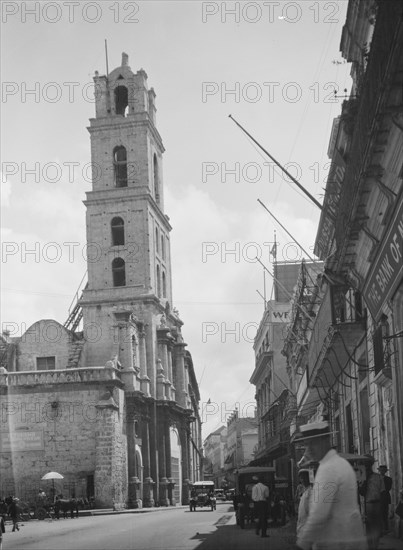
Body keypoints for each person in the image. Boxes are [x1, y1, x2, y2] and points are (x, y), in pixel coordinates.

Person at [295, 421, 367, 550]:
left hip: (336, 541)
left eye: (313, 443)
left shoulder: (329, 469)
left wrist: (303, 543)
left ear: (325, 441)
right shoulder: (340, 463)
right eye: (306, 445)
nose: (309, 449)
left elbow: (319, 514)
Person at [359, 459, 384, 550]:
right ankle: (375, 546)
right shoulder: (379, 477)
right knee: (376, 525)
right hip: (377, 503)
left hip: (368, 504)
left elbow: (361, 492)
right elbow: (382, 492)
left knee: (369, 526)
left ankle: (371, 547)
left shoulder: (363, 477)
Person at [296, 470, 312, 537]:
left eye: (305, 478)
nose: (303, 480)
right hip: (301, 529)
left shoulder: (311, 491)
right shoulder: (304, 492)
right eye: (301, 478)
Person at [378, 465, 392, 534]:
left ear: (385, 471)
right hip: (378, 497)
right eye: (381, 470)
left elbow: (388, 488)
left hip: (385, 497)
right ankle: (380, 528)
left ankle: (386, 528)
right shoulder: (376, 478)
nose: (382, 471)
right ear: (379, 471)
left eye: (384, 470)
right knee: (379, 513)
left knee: (385, 513)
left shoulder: (389, 479)